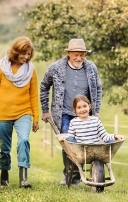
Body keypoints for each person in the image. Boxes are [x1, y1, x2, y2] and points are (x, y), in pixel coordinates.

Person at [0, 36, 39, 188]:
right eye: (23, 53)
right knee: (5, 148)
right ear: (15, 51)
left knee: (24, 140)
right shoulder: (1, 67)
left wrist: (36, 118)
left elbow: (33, 95)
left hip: (24, 112)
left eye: (29, 54)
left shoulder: (31, 70)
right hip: (2, 114)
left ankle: (23, 178)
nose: (26, 57)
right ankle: (4, 175)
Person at [40, 38, 102, 185]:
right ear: (69, 53)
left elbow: (98, 88)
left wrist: (96, 110)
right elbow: (44, 86)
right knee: (68, 142)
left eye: (82, 54)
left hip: (85, 114)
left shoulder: (91, 68)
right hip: (64, 113)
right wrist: (45, 110)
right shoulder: (56, 68)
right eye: (76, 54)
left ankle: (82, 173)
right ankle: (70, 175)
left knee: (86, 142)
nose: (79, 58)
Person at [58, 95, 124, 143]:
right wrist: (65, 138)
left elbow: (104, 136)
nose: (82, 109)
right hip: (80, 149)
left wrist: (115, 136)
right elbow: (71, 137)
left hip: (95, 148)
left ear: (89, 106)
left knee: (110, 141)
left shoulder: (95, 120)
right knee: (69, 139)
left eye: (85, 106)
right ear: (74, 110)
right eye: (79, 107)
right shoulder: (73, 122)